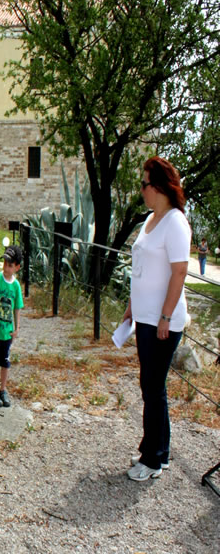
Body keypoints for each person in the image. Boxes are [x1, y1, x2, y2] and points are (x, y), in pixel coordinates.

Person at [122, 156, 190, 482]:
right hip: (145, 317)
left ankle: (152, 459)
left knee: (152, 387)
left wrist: (165, 315)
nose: (142, 190)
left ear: (159, 187)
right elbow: (141, 268)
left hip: (163, 322)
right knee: (151, 385)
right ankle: (158, 449)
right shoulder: (151, 219)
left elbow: (179, 272)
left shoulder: (175, 222)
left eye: (144, 184)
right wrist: (131, 305)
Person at [0, 245, 24, 408]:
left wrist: (17, 328)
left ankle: (3, 389)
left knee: (5, 362)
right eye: (5, 264)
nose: (6, 268)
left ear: (17, 267)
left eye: (10, 265)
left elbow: (17, 308)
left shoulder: (16, 286)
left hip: (8, 331)